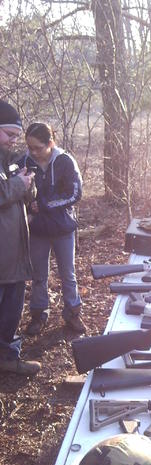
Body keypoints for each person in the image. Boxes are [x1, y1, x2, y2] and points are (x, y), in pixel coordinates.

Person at [18, 122, 85, 335]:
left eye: (39, 148)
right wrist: (29, 208)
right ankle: (39, 315)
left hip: (63, 228)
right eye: (30, 148)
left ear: (50, 143)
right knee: (39, 275)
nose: (34, 152)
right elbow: (14, 189)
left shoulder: (65, 161)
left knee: (68, 274)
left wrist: (44, 204)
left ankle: (73, 314)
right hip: (37, 229)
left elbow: (75, 194)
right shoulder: (24, 162)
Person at [0, 100, 41, 375]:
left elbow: (25, 198)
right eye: (9, 134)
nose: (13, 141)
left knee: (11, 312)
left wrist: (29, 185)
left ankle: (7, 357)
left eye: (16, 136)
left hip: (14, 256)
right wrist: (17, 185)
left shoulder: (9, 161)